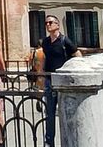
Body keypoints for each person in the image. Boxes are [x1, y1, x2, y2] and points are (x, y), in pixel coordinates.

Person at [38, 14, 78, 146]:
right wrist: (41, 74)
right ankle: (49, 142)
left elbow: (77, 54)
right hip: (50, 80)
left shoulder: (65, 41)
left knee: (66, 112)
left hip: (63, 81)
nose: (48, 25)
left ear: (57, 25)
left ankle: (69, 140)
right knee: (49, 113)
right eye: (46, 23)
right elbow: (44, 57)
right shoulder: (45, 42)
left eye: (50, 22)